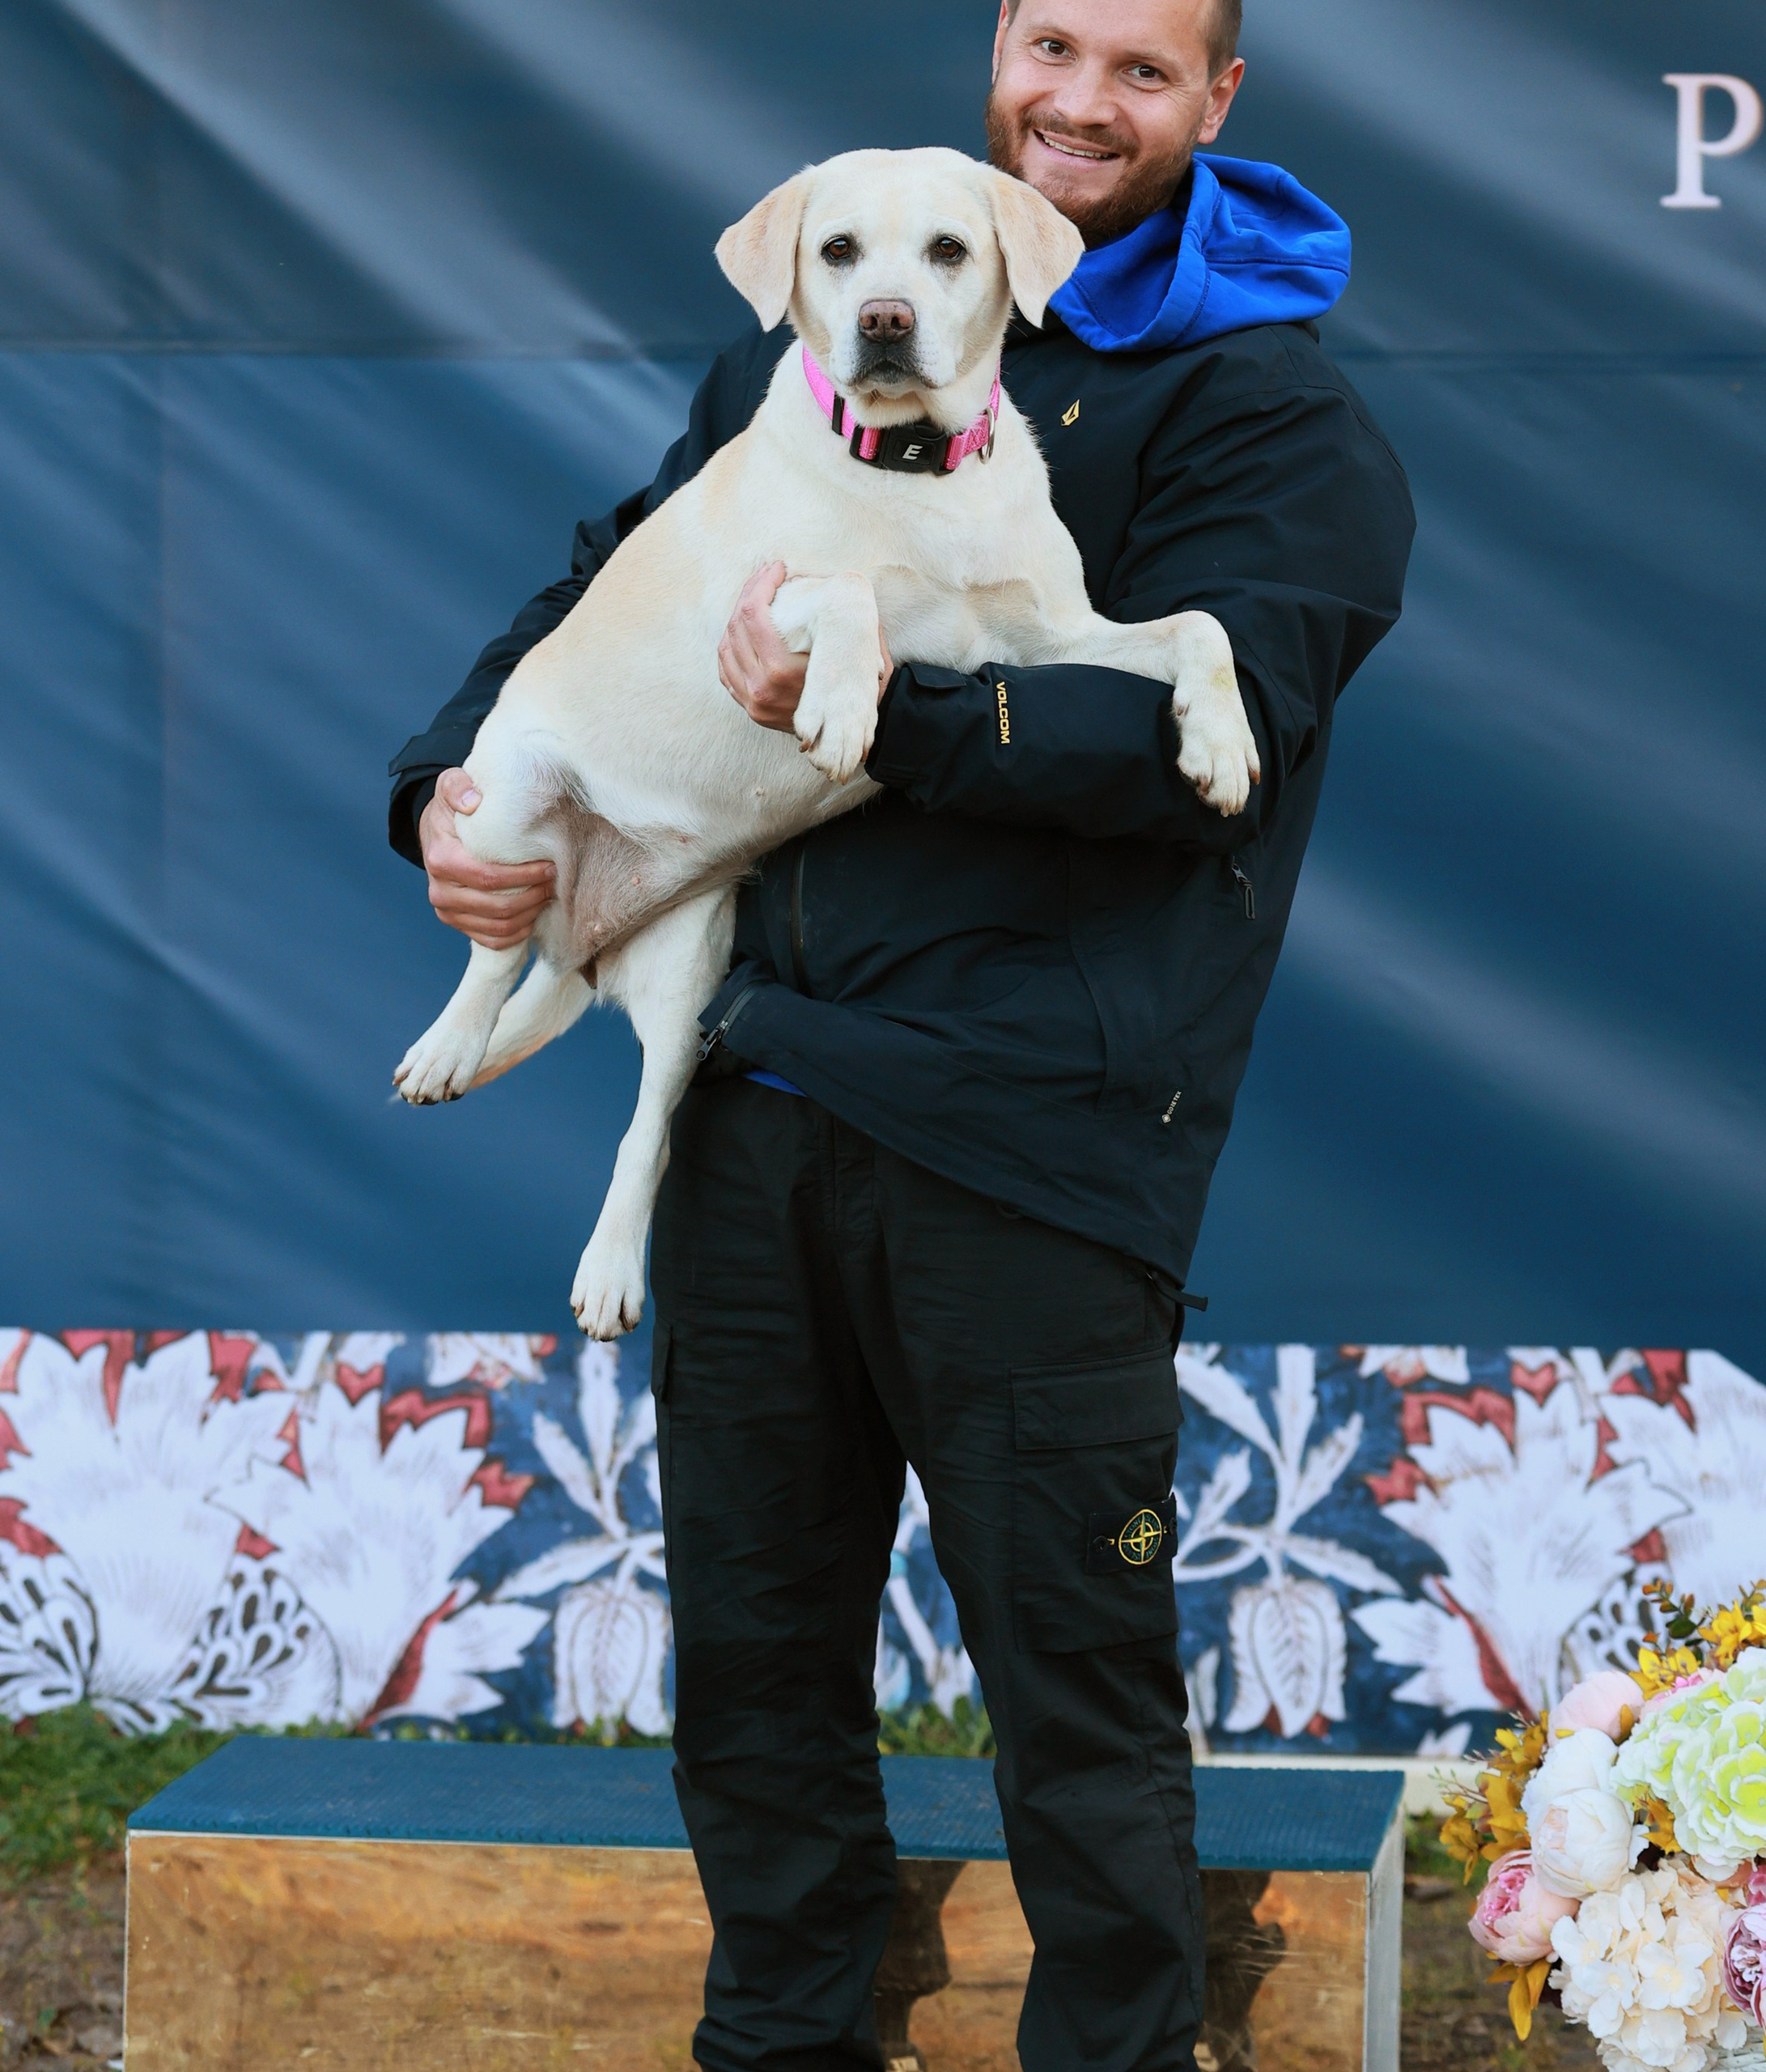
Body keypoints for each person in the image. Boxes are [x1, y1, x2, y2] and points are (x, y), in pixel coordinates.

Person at [387, 2, 1414, 2066]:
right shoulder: (816, 319)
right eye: (1051, 46)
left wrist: (875, 707)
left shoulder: (1267, 411)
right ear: (996, 57)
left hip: (1033, 1128)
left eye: (1141, 70)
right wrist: (439, 791)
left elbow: (1198, 744)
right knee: (752, 1678)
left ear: (1218, 103)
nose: (1078, 103)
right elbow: (617, 582)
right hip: (753, 1096)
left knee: (1074, 1691)